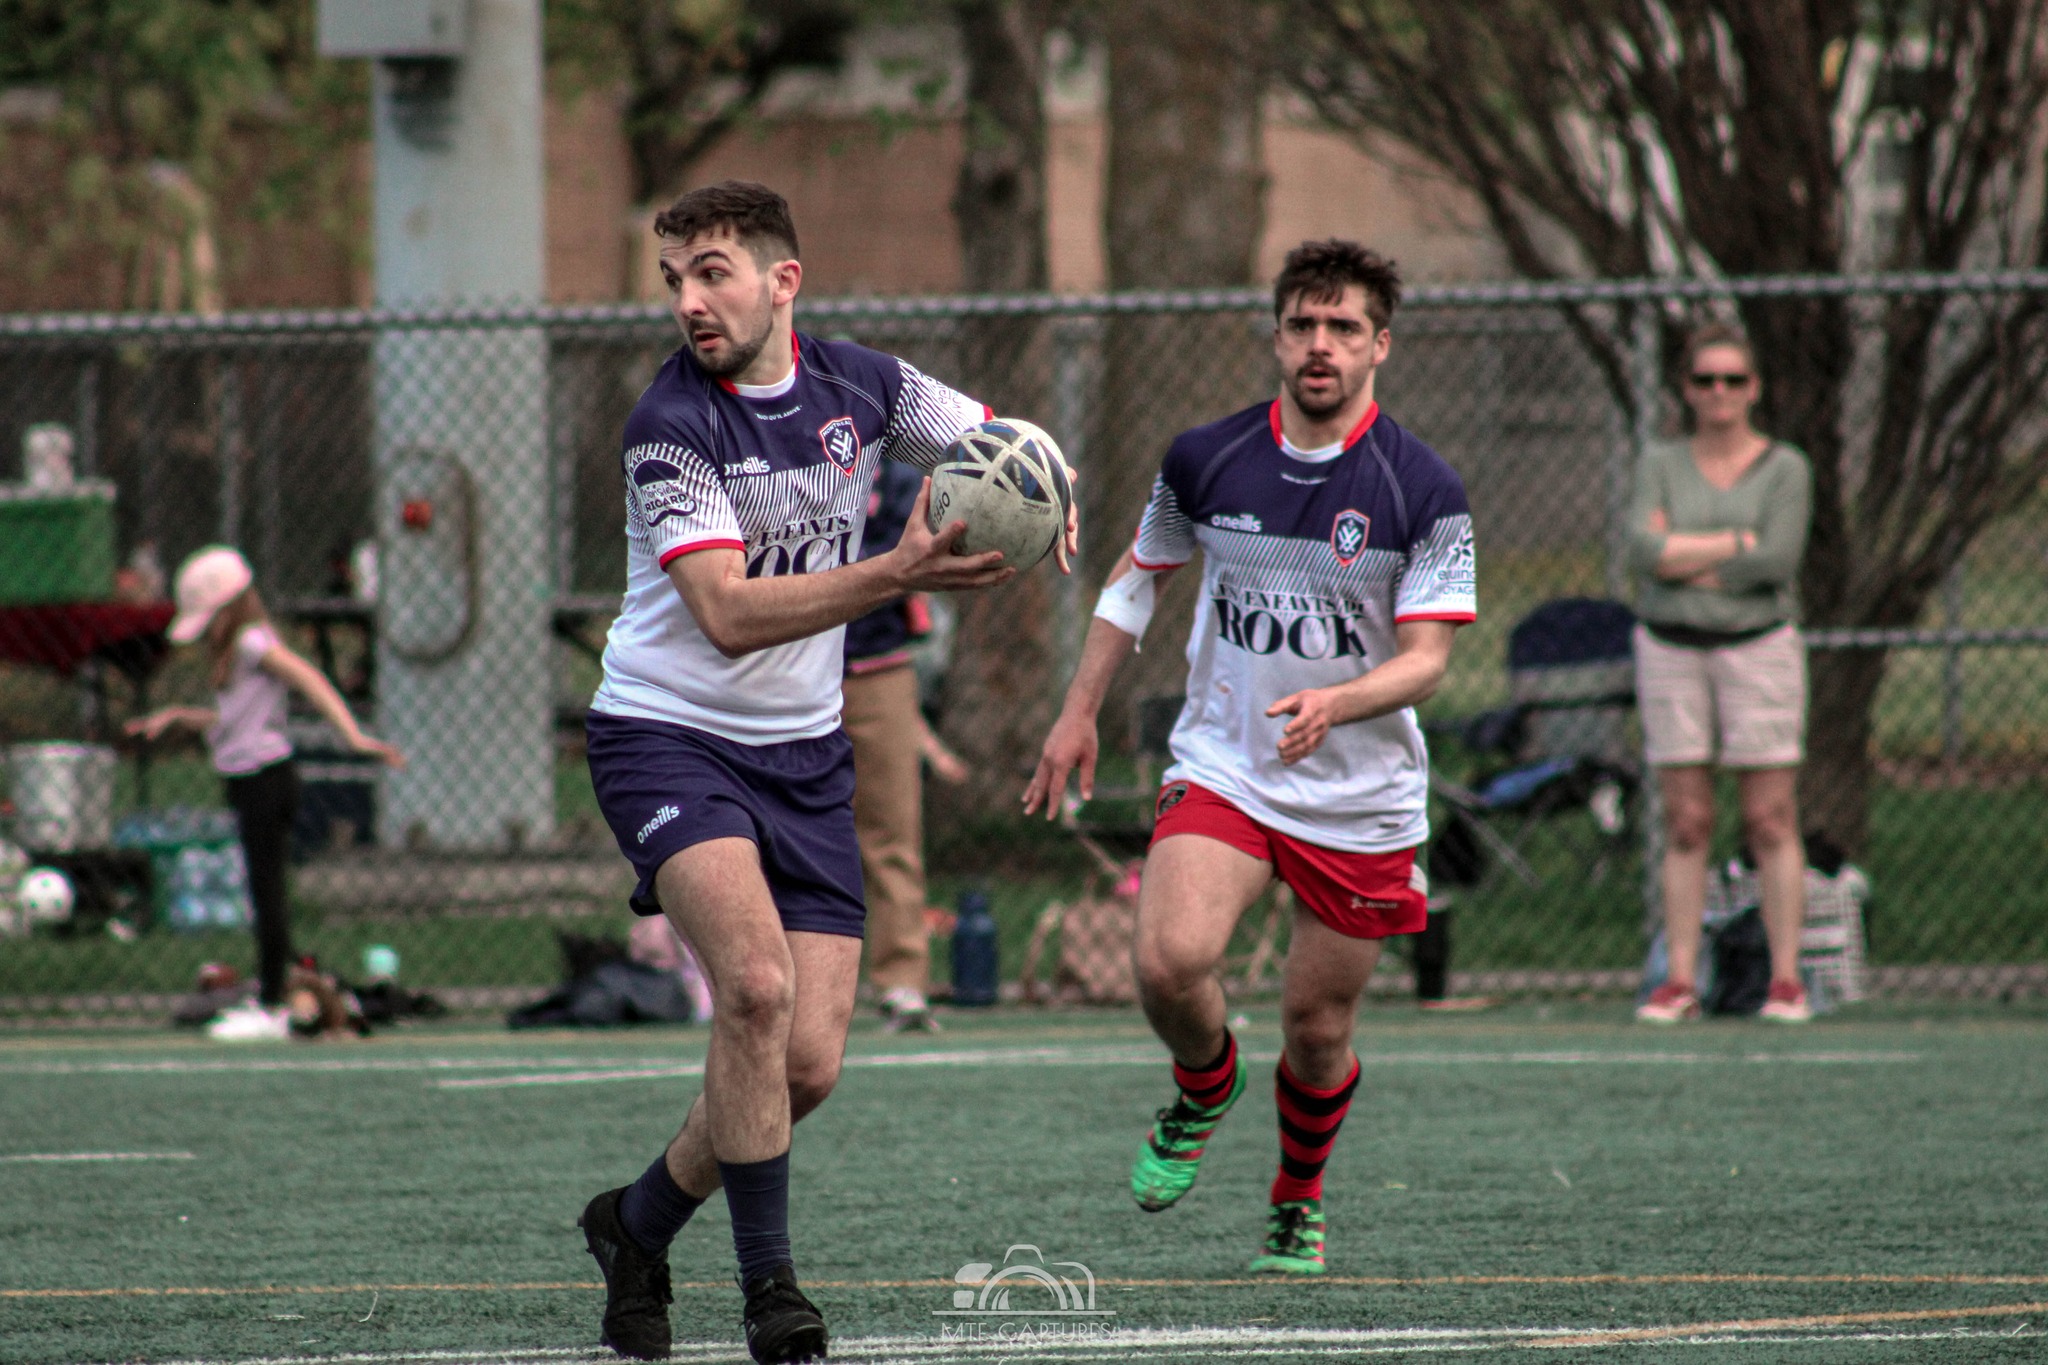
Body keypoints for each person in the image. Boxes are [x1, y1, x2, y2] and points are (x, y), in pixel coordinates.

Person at [575, 181, 1072, 1364]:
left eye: (713, 273)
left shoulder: (865, 384)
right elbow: (727, 615)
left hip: (802, 756)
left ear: (780, 280)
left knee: (803, 1065)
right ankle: (771, 1297)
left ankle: (635, 1225)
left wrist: (1044, 491)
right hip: (666, 736)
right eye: (675, 279)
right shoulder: (668, 427)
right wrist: (898, 569)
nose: (691, 301)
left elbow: (989, 437)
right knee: (752, 989)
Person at [1024, 240, 1476, 1276]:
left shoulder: (1422, 488)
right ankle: (1203, 1084)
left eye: (1343, 328)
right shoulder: (1205, 458)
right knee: (1168, 960)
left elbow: (1428, 663)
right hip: (1226, 764)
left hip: (1359, 797)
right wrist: (1076, 711)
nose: (1320, 346)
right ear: (1276, 335)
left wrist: (1341, 699)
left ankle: (1295, 1194)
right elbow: (1134, 580)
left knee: (1317, 1029)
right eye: (1302, 325)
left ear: (1379, 347)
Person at [126, 547, 404, 1036]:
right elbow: (235, 720)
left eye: (210, 618)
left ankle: (274, 1004)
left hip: (265, 781)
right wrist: (177, 716)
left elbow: (310, 679)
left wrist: (353, 736)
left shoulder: (253, 642)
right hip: (246, 779)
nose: (206, 630)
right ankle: (278, 989)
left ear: (230, 608)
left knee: (267, 891)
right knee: (263, 891)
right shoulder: (234, 653)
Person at [1629, 323, 1814, 1025]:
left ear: (1754, 389)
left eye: (1733, 380)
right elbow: (1643, 551)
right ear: (1686, 389)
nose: (1719, 393)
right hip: (1670, 647)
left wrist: (1690, 557)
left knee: (1769, 816)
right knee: (1686, 819)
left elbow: (1777, 561)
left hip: (1758, 648)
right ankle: (1679, 979)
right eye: (1705, 380)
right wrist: (1735, 543)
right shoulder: (1659, 461)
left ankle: (1786, 979)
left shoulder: (1786, 468)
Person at [842, 458, 960, 1032]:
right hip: (783, 665)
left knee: (892, 829)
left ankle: (902, 985)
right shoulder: (777, 462)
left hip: (878, 670)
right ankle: (779, 980)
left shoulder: (894, 478)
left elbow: (901, 560)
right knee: (776, 832)